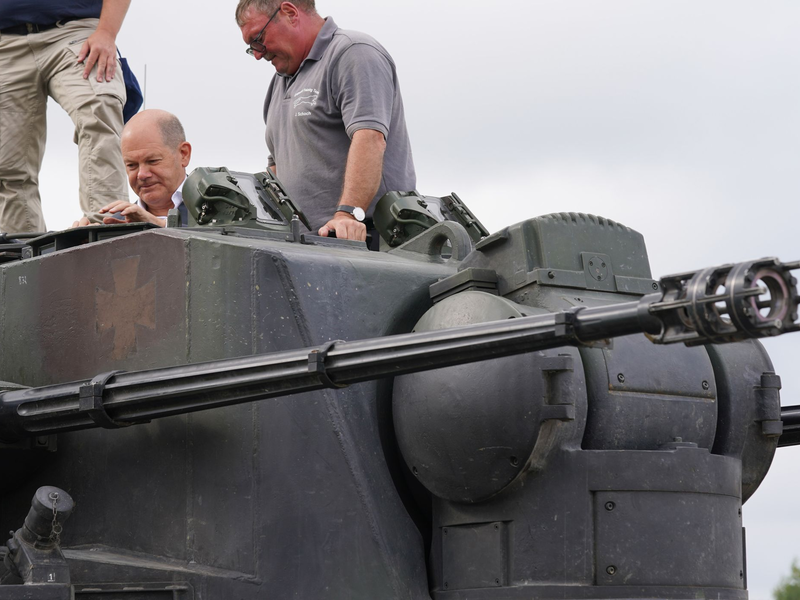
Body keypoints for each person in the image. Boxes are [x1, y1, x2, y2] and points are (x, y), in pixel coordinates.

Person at [235, 0, 416, 245]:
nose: (257, 54)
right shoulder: (279, 82)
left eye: (258, 38)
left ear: (289, 13)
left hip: (370, 243)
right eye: (251, 47)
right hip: (309, 251)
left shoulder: (354, 52)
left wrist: (349, 215)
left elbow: (369, 137)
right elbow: (277, 169)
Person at [0, 0, 132, 233]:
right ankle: (18, 258)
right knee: (7, 165)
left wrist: (107, 32)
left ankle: (107, 234)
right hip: (5, 43)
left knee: (99, 109)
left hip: (74, 30)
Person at [72, 109, 191, 228]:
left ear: (183, 154)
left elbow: (207, 238)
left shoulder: (209, 208)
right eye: (132, 165)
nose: (142, 174)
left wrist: (159, 226)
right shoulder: (113, 227)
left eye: (152, 161)